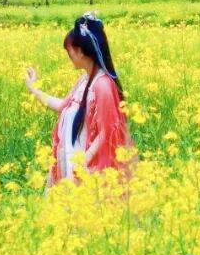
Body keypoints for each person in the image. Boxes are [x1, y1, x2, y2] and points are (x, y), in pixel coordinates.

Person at [25, 13, 133, 189]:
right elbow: (62, 106)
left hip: (86, 167)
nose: (68, 54)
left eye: (70, 50)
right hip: (73, 160)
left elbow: (107, 131)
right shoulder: (84, 80)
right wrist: (33, 89)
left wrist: (83, 162)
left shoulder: (103, 84)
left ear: (81, 51)